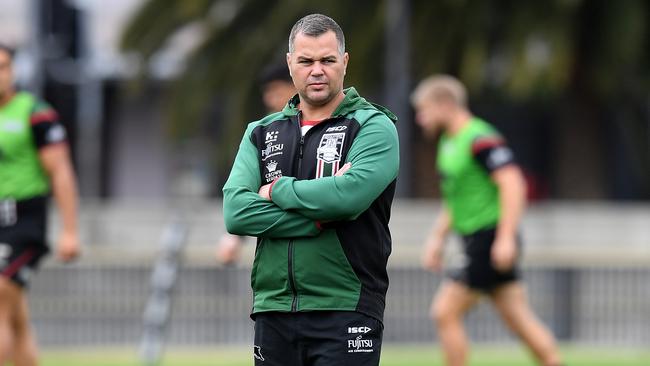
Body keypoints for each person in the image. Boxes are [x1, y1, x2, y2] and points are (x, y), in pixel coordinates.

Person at [222, 13, 399, 366]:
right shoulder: (261, 131)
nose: (317, 70)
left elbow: (348, 198)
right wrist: (316, 220)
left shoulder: (373, 126)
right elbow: (236, 211)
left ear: (344, 63)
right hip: (273, 307)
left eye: (327, 60)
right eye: (306, 61)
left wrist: (277, 190)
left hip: (346, 305)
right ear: (290, 64)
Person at [411, 75, 563, 366]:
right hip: (477, 239)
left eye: (425, 110)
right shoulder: (448, 143)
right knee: (518, 318)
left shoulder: (479, 138)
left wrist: (505, 238)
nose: (420, 119)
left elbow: (513, 184)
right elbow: (455, 199)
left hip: (489, 238)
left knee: (445, 312)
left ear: (445, 105)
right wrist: (437, 237)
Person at [0, 44, 80, 365]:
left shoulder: (34, 112)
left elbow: (60, 171)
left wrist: (70, 231)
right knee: (15, 316)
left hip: (22, 223)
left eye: (4, 66)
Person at [216, 63, 297, 265]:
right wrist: (234, 236)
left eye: (275, 90)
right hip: (278, 260)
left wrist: (272, 192)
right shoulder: (264, 132)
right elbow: (242, 200)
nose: (269, 98)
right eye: (267, 92)